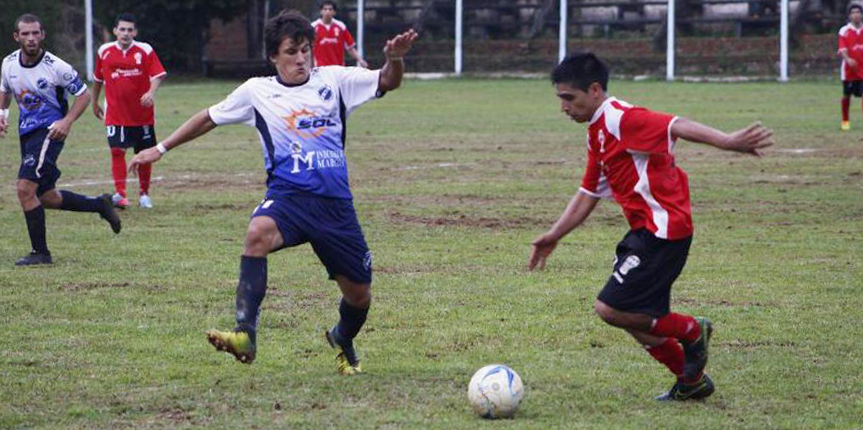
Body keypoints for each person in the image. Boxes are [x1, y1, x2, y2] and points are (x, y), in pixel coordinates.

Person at [129, 10, 417, 374]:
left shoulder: (336, 80)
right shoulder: (257, 91)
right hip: (289, 198)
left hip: (334, 206)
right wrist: (161, 148)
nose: (301, 59)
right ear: (273, 57)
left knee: (359, 295)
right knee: (256, 234)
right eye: (291, 51)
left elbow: (386, 82)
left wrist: (394, 59)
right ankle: (244, 333)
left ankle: (342, 337)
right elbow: (208, 117)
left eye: (305, 50)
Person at [528, 53, 773, 401]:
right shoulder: (596, 131)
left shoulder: (619, 117)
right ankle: (691, 381)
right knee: (634, 316)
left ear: (595, 90)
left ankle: (692, 330)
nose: (564, 107)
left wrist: (727, 141)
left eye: (570, 98)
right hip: (645, 232)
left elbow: (676, 124)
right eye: (561, 99)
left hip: (664, 231)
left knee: (610, 309)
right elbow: (589, 192)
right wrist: (553, 235)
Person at [0, 14, 122, 266]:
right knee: (46, 197)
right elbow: (5, 91)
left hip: (50, 131)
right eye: (25, 34)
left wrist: (66, 122)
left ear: (43, 35)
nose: (31, 38)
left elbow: (84, 95)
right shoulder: (9, 64)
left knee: (25, 189)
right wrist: (2, 114)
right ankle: (100, 205)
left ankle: (41, 253)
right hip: (27, 132)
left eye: (36, 33)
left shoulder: (57, 67)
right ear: (17, 37)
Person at [92, 13, 167, 209]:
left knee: (144, 153)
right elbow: (98, 79)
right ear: (115, 31)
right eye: (122, 29)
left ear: (135, 32)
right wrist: (94, 102)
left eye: (129, 30)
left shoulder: (145, 50)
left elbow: (158, 74)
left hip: (141, 114)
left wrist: (151, 92)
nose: (126, 33)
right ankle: (120, 194)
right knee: (117, 150)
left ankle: (144, 195)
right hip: (115, 113)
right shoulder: (104, 51)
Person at [312, 1, 368, 68]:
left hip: (338, 68)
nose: (327, 12)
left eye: (330, 9)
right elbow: (309, 47)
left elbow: (350, 47)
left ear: (334, 12)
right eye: (325, 9)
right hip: (320, 68)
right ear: (321, 11)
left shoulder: (341, 26)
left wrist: (360, 60)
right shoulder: (313, 27)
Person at [838, 4, 863, 131]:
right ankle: (845, 120)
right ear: (849, 15)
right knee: (847, 95)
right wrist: (848, 59)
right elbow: (842, 49)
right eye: (853, 12)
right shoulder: (844, 30)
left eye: (858, 12)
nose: (856, 14)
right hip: (848, 71)